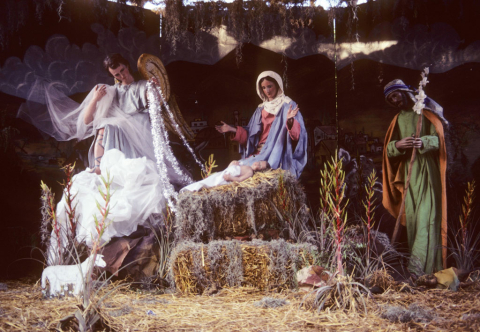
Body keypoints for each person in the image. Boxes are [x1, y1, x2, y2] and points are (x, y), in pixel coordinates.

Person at [18, 54, 189, 264]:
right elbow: (88, 120)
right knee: (106, 126)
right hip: (117, 144)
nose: (120, 77)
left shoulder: (142, 86)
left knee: (144, 177)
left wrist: (155, 90)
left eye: (122, 72)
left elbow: (158, 102)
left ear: (128, 67)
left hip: (139, 135)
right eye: (116, 74)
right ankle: (100, 167)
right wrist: (97, 99)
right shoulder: (111, 92)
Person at [382, 79, 447, 276]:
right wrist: (398, 145)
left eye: (395, 95)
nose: (394, 100)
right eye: (390, 98)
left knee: (428, 218)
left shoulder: (425, 112)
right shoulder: (398, 120)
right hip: (408, 175)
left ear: (405, 92)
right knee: (413, 221)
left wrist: (424, 141)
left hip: (427, 173)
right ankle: (419, 269)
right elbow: (388, 151)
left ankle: (422, 270)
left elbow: (441, 140)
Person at [215, 71, 308, 179]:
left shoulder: (288, 105)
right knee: (237, 166)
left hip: (277, 154)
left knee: (263, 175)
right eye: (264, 87)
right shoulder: (261, 109)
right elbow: (250, 136)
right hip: (258, 153)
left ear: (278, 85)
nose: (267, 91)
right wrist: (231, 129)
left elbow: (297, 136)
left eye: (270, 86)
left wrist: (290, 121)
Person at [181, 160, 270, 192]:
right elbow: (231, 168)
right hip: (223, 173)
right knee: (209, 180)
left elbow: (239, 179)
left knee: (210, 184)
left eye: (260, 166)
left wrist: (230, 178)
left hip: (226, 179)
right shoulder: (245, 164)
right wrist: (231, 164)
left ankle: (193, 189)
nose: (257, 164)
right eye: (259, 162)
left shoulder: (250, 172)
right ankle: (188, 189)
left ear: (261, 170)